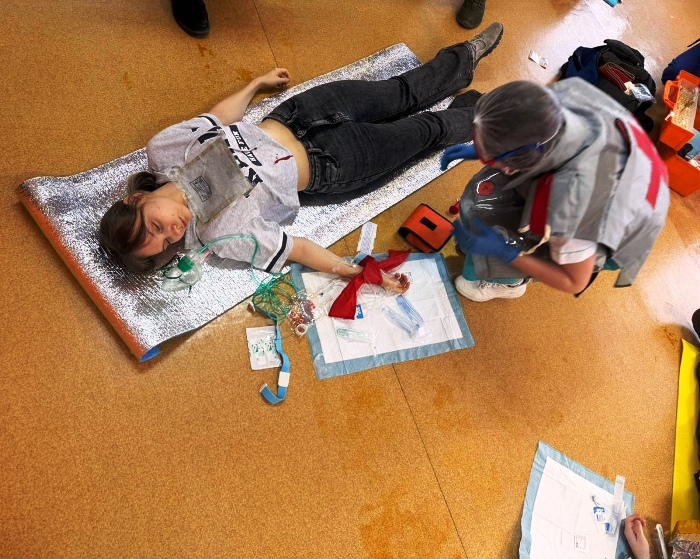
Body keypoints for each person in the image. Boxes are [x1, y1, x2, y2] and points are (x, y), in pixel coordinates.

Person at [98, 23, 505, 294]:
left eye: (156, 225)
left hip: (299, 114)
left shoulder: (164, 150)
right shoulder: (218, 235)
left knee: (400, 92)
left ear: (136, 199)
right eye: (166, 242)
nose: (173, 231)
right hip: (335, 162)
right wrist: (365, 275)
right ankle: (490, 114)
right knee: (426, 131)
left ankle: (463, 59)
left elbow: (217, 118)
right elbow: (300, 250)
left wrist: (255, 85)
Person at [441, 77, 670, 302]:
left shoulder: (574, 206)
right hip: (615, 163)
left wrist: (505, 253)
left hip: (620, 223)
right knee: (506, 198)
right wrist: (486, 145)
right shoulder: (555, 100)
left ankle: (510, 284)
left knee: (520, 243)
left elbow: (573, 280)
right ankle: (485, 255)